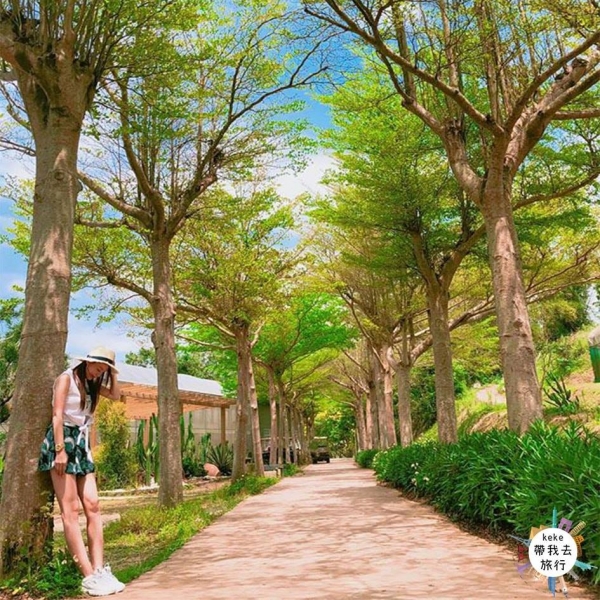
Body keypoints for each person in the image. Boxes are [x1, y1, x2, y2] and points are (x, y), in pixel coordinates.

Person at [38, 347, 126, 597]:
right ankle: (88, 576)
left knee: (93, 505)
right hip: (62, 441)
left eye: (104, 369)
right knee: (70, 510)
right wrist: (59, 451)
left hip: (81, 443)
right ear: (87, 362)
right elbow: (57, 415)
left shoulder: (93, 384)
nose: (99, 371)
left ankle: (99, 570)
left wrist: (113, 373)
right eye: (98, 366)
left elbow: (116, 395)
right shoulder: (66, 378)